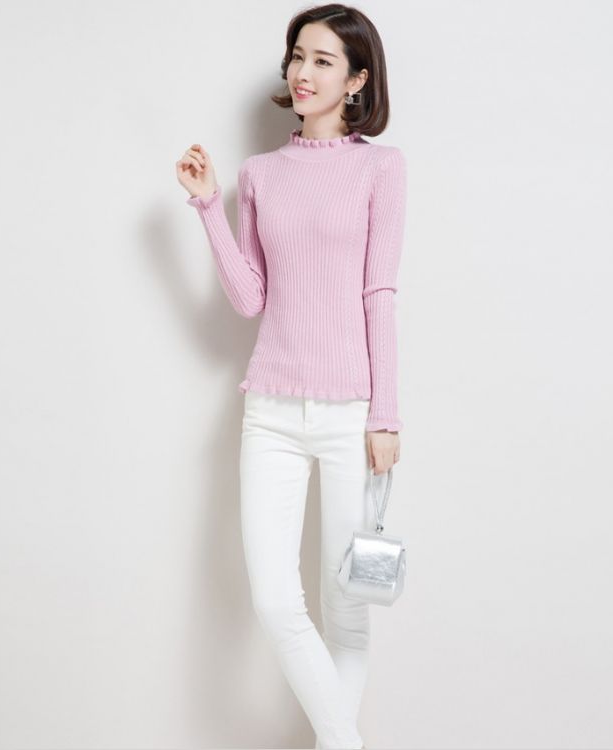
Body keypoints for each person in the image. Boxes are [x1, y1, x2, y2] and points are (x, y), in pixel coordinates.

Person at [175, 4, 406, 747]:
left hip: (350, 415)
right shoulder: (260, 174)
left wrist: (385, 416)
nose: (303, 73)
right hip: (270, 410)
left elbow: (379, 292)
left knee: (346, 607)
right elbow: (251, 299)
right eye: (297, 56)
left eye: (323, 61)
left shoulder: (380, 168)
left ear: (357, 80)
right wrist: (208, 207)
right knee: (276, 601)